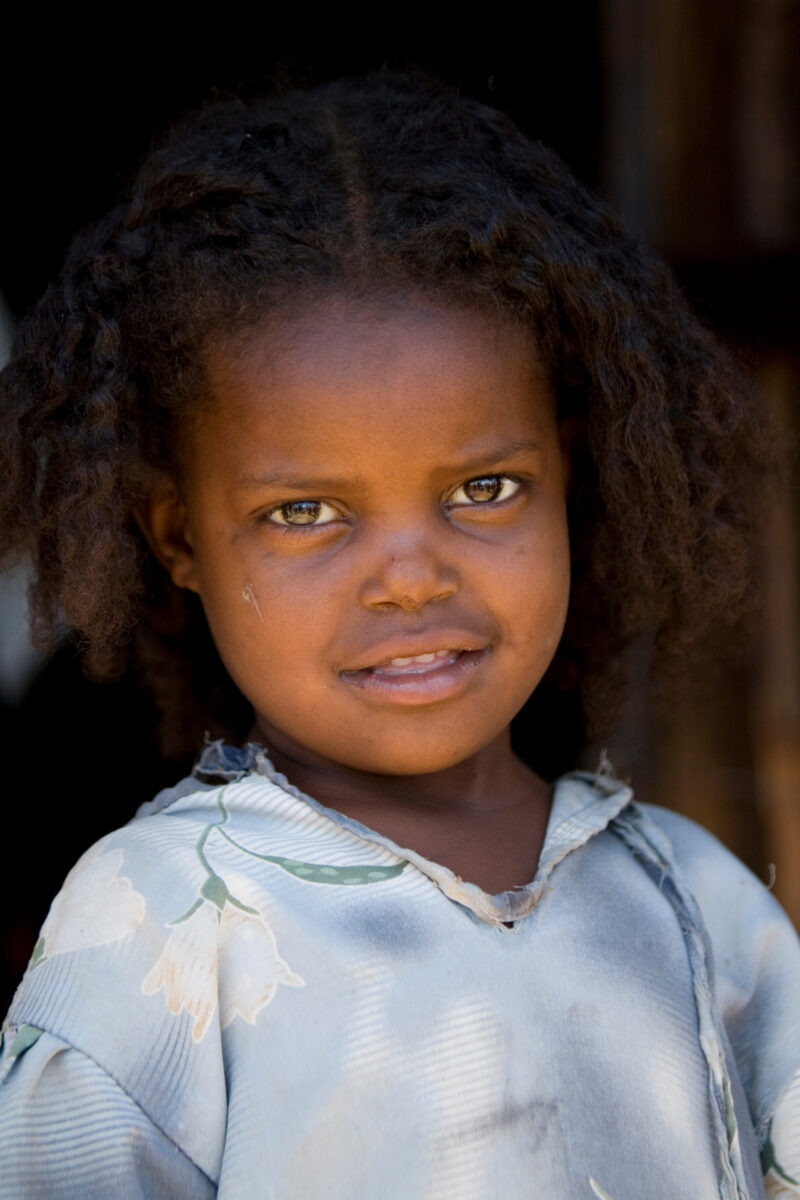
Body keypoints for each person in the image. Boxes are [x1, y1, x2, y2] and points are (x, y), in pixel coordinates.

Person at [0, 71, 797, 1200]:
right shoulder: (154, 928)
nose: (412, 578)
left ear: (568, 477)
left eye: (483, 489)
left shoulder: (699, 906)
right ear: (179, 539)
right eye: (304, 512)